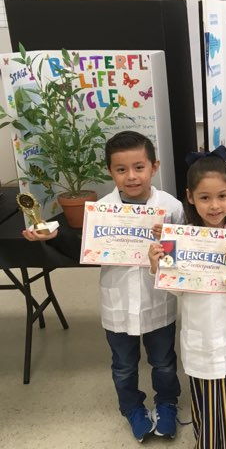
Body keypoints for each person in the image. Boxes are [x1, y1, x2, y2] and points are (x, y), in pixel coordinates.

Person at [23, 130, 184, 442]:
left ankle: (167, 403)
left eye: (139, 167)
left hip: (159, 300)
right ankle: (132, 408)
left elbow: (185, 252)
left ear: (155, 166)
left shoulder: (171, 207)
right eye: (121, 170)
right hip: (118, 303)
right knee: (124, 365)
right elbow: (81, 244)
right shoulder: (102, 211)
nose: (132, 176)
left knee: (163, 361)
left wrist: (169, 238)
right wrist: (52, 235)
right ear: (110, 171)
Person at [149, 148, 226, 449]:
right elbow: (176, 289)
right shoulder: (182, 239)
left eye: (223, 196)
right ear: (190, 197)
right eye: (205, 198)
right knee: (205, 392)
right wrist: (156, 266)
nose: (215, 206)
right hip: (200, 332)